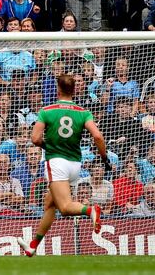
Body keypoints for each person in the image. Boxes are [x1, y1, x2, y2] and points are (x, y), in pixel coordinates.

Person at [17, 74, 109, 257]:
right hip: (75, 164)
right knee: (50, 204)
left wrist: (47, 145)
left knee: (66, 208)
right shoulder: (83, 112)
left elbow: (35, 139)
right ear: (74, 91)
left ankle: (91, 210)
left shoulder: (47, 110)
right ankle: (33, 246)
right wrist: (104, 158)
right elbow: (98, 136)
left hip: (57, 162)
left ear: (57, 90)